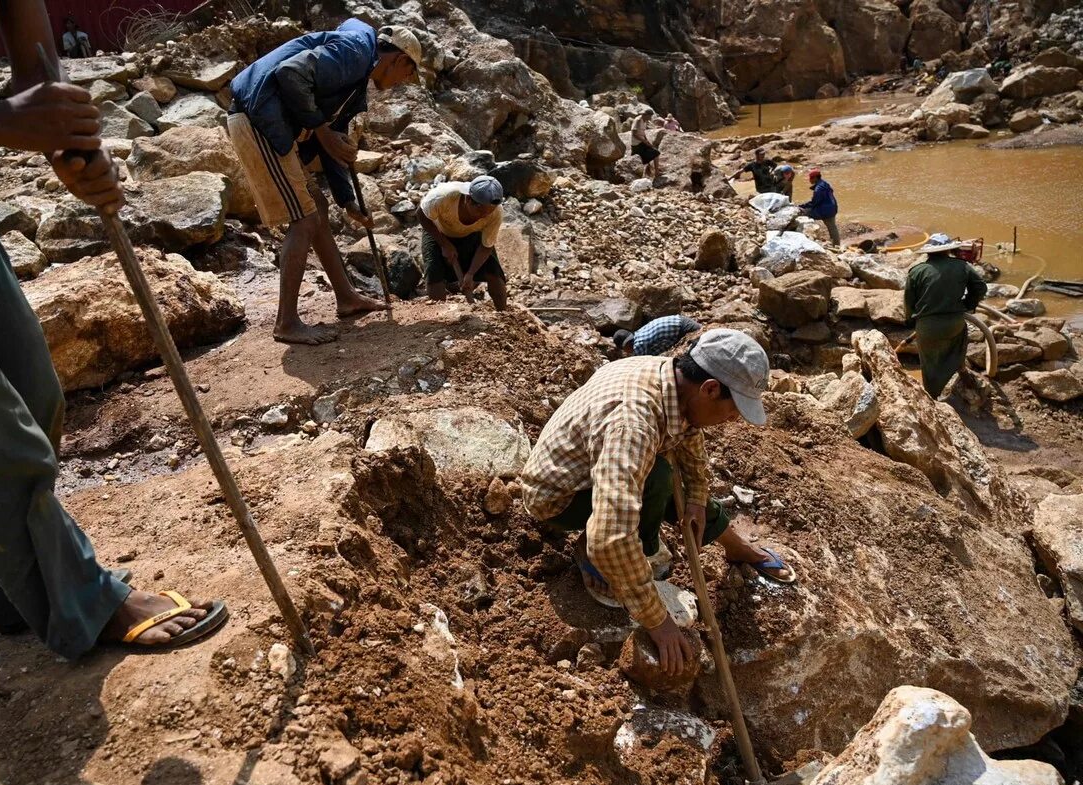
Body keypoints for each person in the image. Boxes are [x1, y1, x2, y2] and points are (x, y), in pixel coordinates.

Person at [0, 0, 227, 658]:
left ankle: (13, 589)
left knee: (33, 396)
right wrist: (0, 121)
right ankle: (90, 602)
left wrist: (65, 148)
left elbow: (32, 77)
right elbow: (7, 109)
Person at [521, 330, 796, 676]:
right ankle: (602, 566)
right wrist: (657, 620)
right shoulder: (632, 423)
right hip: (560, 497)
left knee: (668, 480)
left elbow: (689, 436)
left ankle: (737, 547)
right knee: (658, 478)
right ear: (710, 388)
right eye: (733, 410)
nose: (733, 420)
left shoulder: (674, 381)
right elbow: (610, 537)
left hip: (595, 467)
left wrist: (696, 498)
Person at [227, 20, 422, 344]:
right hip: (257, 118)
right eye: (409, 74)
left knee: (316, 205)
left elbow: (336, 142)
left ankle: (346, 298)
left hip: (270, 121)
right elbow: (290, 74)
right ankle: (286, 323)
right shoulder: (357, 51)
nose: (405, 82)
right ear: (400, 60)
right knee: (304, 218)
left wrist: (348, 201)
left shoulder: (356, 78)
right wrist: (321, 131)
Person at [903, 233, 988, 398]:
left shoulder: (917, 271)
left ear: (928, 252)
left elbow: (908, 301)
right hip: (954, 323)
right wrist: (968, 305)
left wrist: (909, 320)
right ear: (949, 250)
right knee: (957, 347)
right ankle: (963, 374)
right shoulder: (962, 266)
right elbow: (980, 288)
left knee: (929, 363)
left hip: (927, 327)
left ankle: (932, 396)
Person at [418, 175, 508, 310]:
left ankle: (504, 315)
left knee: (494, 273)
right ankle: (440, 319)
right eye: (480, 211)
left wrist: (471, 274)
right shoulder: (443, 197)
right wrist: (444, 244)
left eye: (488, 212)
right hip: (439, 232)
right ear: (468, 199)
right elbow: (421, 215)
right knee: (434, 272)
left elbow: (486, 246)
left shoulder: (495, 213)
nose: (484, 216)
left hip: (472, 234)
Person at [612, 314, 702, 357]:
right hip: (683, 321)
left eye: (624, 350)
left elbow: (639, 364)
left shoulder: (638, 346)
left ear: (626, 346)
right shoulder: (640, 333)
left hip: (685, 329)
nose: (627, 352)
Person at [800, 168, 839, 246]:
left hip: (825, 210)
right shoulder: (825, 184)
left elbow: (814, 202)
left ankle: (808, 237)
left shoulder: (818, 189)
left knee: (803, 213)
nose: (809, 180)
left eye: (810, 178)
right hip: (832, 208)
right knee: (832, 227)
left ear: (815, 178)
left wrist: (802, 206)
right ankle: (836, 244)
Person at [631, 110, 666, 179]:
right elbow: (634, 133)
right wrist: (644, 141)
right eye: (649, 116)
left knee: (655, 153)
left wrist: (647, 142)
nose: (650, 117)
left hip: (642, 142)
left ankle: (656, 172)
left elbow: (643, 133)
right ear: (646, 115)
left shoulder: (645, 121)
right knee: (653, 155)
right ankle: (655, 173)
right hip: (637, 144)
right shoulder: (638, 120)